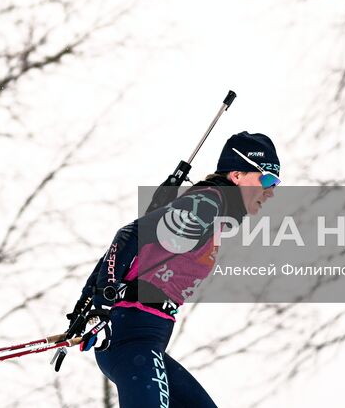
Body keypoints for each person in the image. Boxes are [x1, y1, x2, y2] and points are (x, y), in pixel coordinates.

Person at [65, 131, 281, 407]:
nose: (271, 190)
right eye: (267, 179)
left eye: (276, 183)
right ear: (236, 175)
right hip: (132, 336)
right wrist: (99, 303)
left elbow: (136, 244)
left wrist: (88, 301)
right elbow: (129, 234)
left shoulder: (215, 211)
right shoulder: (208, 204)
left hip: (143, 340)